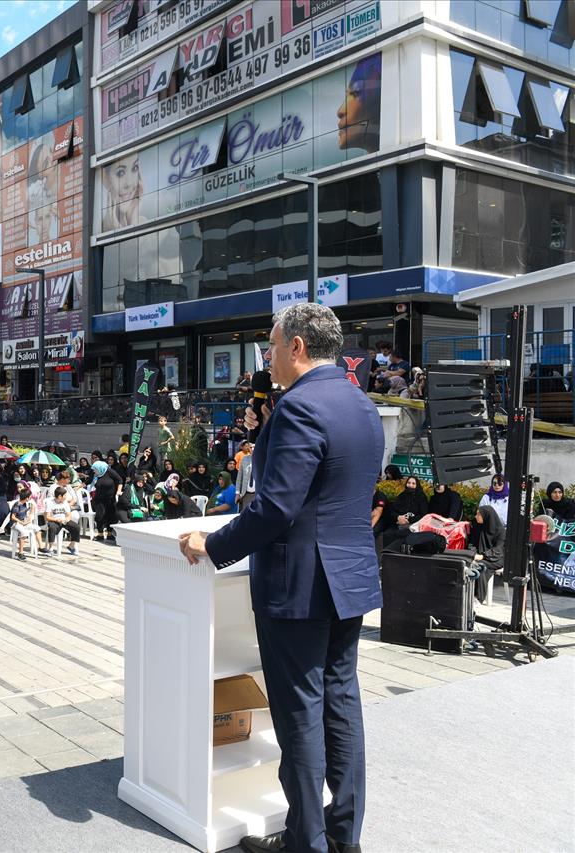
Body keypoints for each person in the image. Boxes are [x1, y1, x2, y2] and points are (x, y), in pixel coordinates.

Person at [179, 302, 383, 853]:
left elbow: (275, 508)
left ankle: (306, 845)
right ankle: (343, 837)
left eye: (270, 345)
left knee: (300, 717)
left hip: (299, 586)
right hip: (350, 579)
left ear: (296, 347)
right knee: (341, 706)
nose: (266, 357)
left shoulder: (297, 407)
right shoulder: (362, 404)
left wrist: (212, 544)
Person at [467, 505, 505, 604]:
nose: (476, 516)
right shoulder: (479, 527)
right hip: (479, 556)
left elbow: (499, 550)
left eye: (479, 514)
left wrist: (483, 556)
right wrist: (473, 552)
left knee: (481, 566)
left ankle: (478, 597)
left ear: (486, 516)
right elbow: (472, 543)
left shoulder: (500, 531)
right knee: (467, 563)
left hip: (496, 558)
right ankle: (467, 593)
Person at [43, 485, 81, 555]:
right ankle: (50, 548)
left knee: (76, 527)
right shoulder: (50, 502)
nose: (66, 497)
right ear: (60, 496)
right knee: (52, 527)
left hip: (64, 520)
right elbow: (47, 517)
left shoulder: (65, 502)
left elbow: (68, 514)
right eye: (65, 495)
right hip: (53, 520)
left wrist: (67, 519)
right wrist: (57, 520)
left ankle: (71, 546)